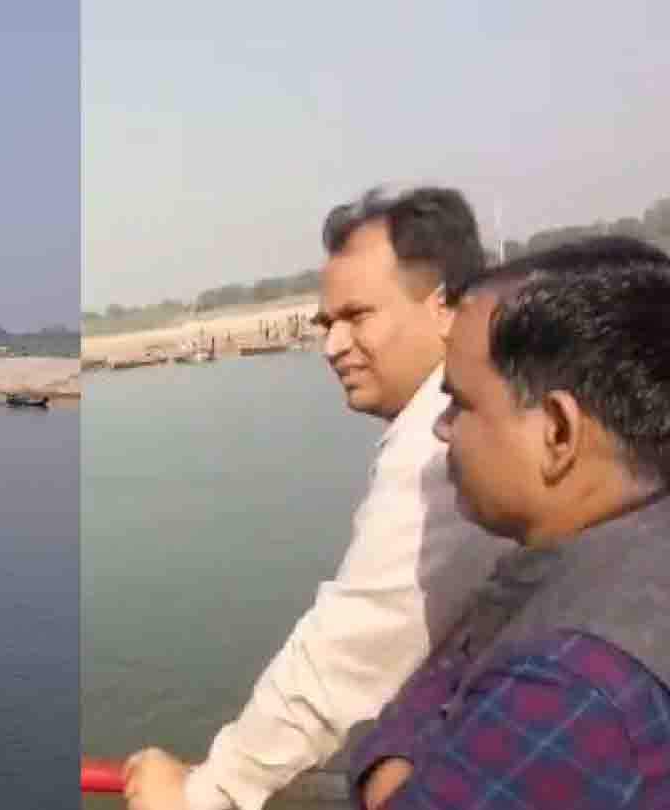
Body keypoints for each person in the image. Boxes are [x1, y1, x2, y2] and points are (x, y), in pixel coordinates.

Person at [123, 187, 513, 810]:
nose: (332, 346)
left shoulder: (443, 439)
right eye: (327, 324)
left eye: (357, 316)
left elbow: (354, 645)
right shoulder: (468, 412)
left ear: (445, 308)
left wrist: (211, 791)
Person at [352, 235, 670, 810]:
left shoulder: (572, 683)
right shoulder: (612, 552)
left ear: (557, 432)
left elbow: (401, 763)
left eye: (461, 403)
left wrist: (386, 774)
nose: (441, 429)